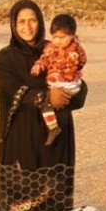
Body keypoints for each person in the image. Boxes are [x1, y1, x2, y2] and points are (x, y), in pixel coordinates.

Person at [0, 0, 88, 211]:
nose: (28, 27)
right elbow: (12, 91)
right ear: (13, 24)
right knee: (22, 194)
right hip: (22, 138)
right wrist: (47, 97)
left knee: (54, 191)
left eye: (32, 20)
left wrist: (71, 92)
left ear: (41, 22)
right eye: (21, 21)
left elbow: (80, 84)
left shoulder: (55, 47)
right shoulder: (6, 58)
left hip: (57, 139)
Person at [29, 13, 87, 146]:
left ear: (72, 36)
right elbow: (44, 59)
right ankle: (53, 127)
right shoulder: (50, 48)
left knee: (47, 103)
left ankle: (53, 128)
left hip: (69, 83)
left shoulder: (76, 49)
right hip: (56, 82)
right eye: (55, 37)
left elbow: (82, 61)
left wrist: (74, 65)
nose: (58, 41)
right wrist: (38, 66)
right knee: (47, 105)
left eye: (62, 37)